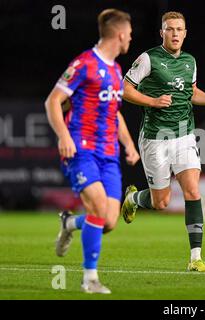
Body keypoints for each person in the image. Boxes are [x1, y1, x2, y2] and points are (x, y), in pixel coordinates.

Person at [120, 11, 205, 272]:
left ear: (185, 33)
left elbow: (191, 93)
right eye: (170, 29)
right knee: (161, 203)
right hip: (155, 138)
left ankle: (195, 258)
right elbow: (124, 89)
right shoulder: (149, 58)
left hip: (184, 135)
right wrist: (152, 101)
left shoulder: (190, 61)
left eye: (179, 29)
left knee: (193, 191)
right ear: (162, 33)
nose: (175, 34)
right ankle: (134, 200)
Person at [45, 9, 139, 293]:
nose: (131, 39)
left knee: (108, 221)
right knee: (98, 208)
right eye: (130, 34)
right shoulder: (84, 63)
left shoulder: (115, 70)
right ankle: (90, 279)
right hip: (81, 149)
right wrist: (63, 135)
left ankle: (69, 223)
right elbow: (53, 102)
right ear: (121, 34)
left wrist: (129, 144)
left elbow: (115, 114)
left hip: (108, 154)